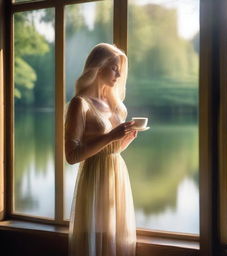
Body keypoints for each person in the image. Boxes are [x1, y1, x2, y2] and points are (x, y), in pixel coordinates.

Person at [65, 43, 138, 256]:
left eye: (120, 70)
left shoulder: (113, 103)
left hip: (117, 175)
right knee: (96, 240)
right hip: (94, 178)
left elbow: (109, 149)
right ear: (98, 67)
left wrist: (124, 140)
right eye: (114, 68)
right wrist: (110, 137)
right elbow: (71, 156)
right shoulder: (80, 104)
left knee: (116, 238)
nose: (118, 74)